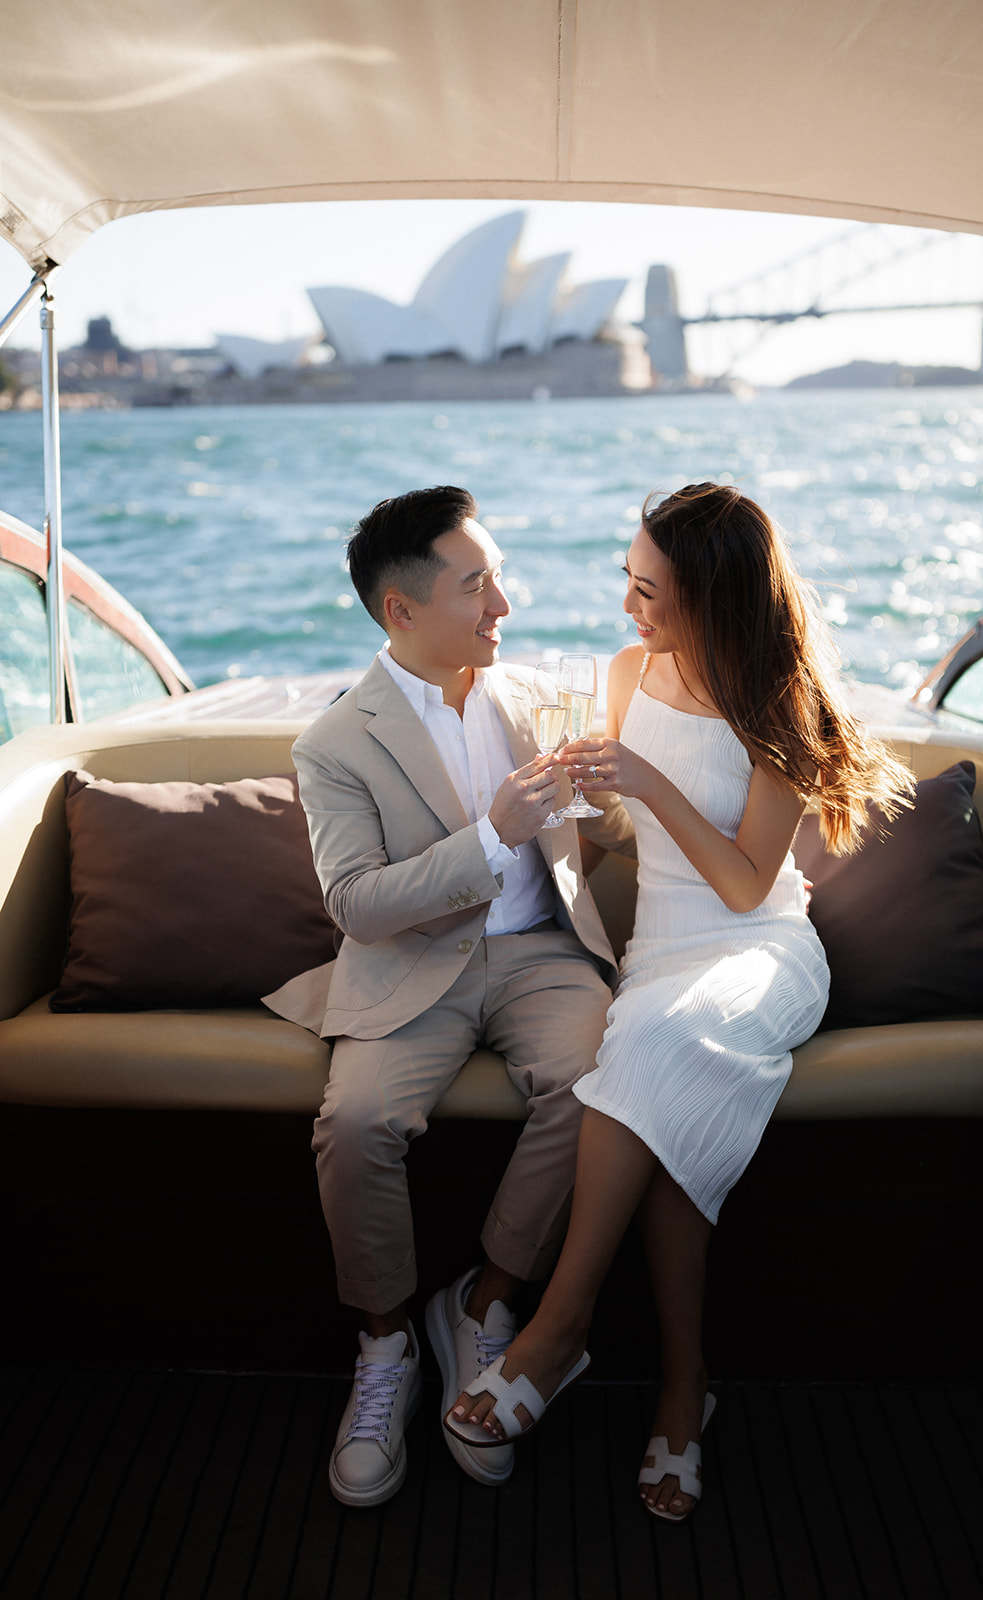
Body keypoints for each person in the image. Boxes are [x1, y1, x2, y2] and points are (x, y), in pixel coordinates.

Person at [444, 481, 915, 1521]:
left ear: (709, 593)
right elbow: (629, 839)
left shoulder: (777, 703)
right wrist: (585, 805)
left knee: (654, 1046)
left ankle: (555, 1328)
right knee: (665, 1083)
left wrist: (647, 781)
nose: (627, 606)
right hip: (659, 955)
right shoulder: (626, 674)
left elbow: (745, 885)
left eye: (647, 590)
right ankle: (681, 1387)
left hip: (759, 954)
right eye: (627, 580)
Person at [264, 484, 634, 1508]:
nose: (502, 604)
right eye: (476, 585)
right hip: (411, 970)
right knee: (355, 1124)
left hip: (541, 956)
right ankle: (384, 1346)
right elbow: (356, 903)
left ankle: (484, 1304)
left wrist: (607, 799)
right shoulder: (334, 743)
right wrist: (491, 835)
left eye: (497, 576)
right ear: (401, 610)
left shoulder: (533, 696)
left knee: (600, 1084)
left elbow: (601, 838)